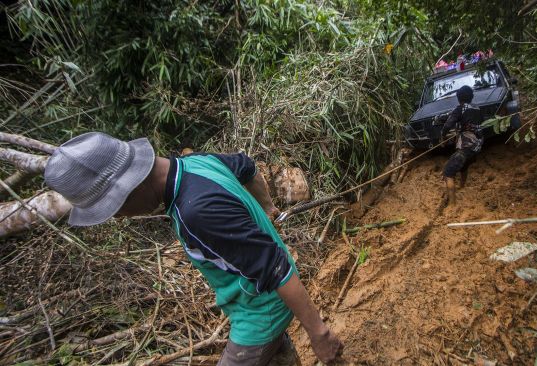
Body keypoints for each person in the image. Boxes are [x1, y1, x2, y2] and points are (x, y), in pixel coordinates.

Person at [43, 132, 343, 365]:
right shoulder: (194, 164)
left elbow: (275, 267)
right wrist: (266, 208)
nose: (121, 217)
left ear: (132, 186)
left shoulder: (197, 213)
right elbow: (246, 165)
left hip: (259, 314)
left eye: (116, 209)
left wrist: (319, 332)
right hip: (260, 305)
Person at [440, 85, 483, 206]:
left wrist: (442, 137)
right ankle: (462, 186)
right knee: (464, 165)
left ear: (458, 98)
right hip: (477, 145)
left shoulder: (460, 109)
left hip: (466, 146)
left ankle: (452, 205)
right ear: (472, 97)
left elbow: (448, 125)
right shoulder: (477, 108)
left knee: (448, 172)